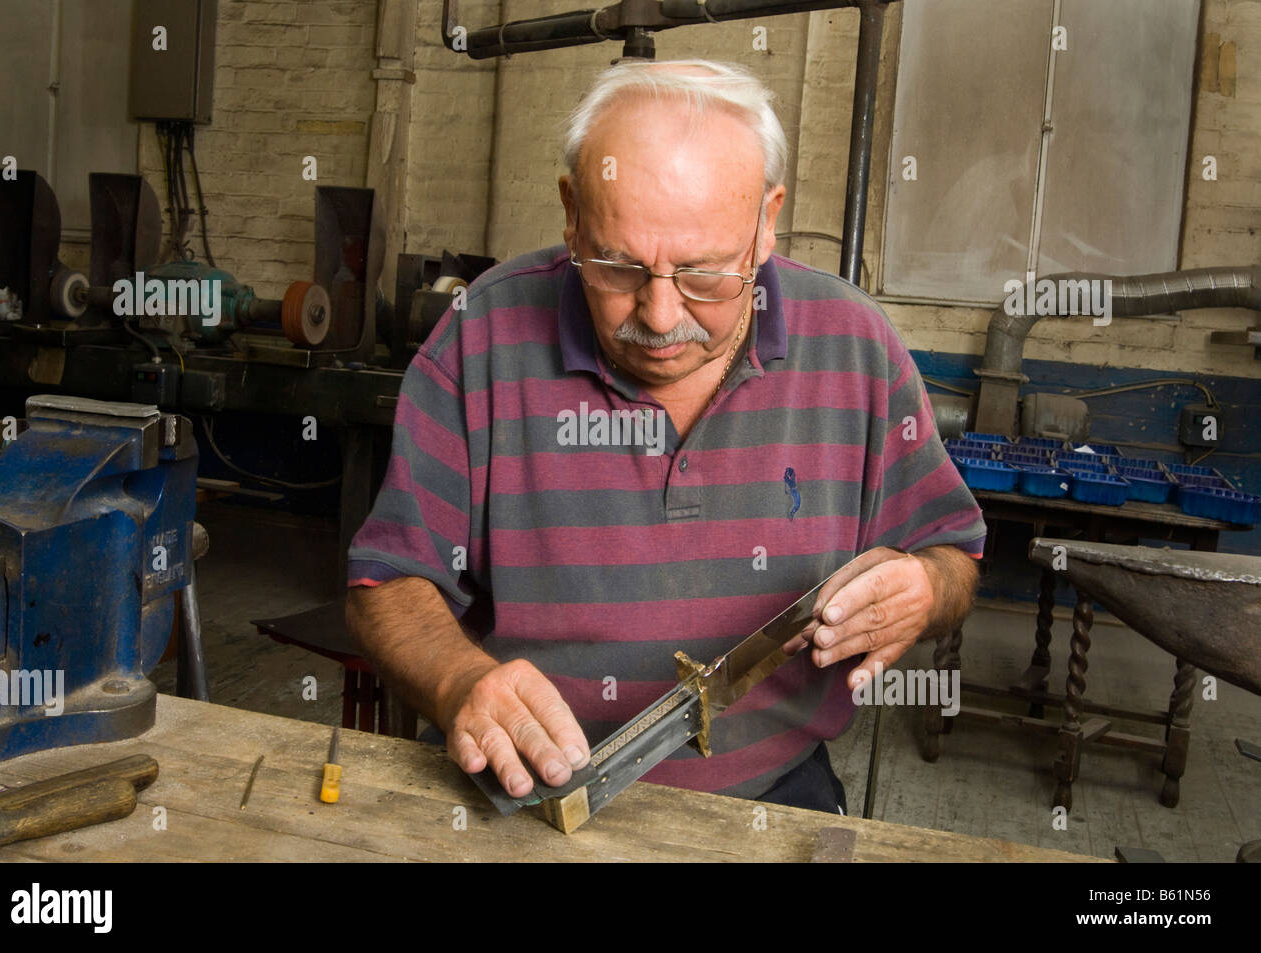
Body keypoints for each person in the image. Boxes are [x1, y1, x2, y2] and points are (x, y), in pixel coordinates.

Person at [346, 59, 984, 815]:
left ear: (767, 221)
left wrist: (925, 588)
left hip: (770, 794)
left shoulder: (856, 347)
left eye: (703, 274)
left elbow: (952, 551)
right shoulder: (479, 337)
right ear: (572, 212)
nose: (656, 314)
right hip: (524, 790)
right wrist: (457, 682)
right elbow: (386, 581)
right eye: (617, 267)